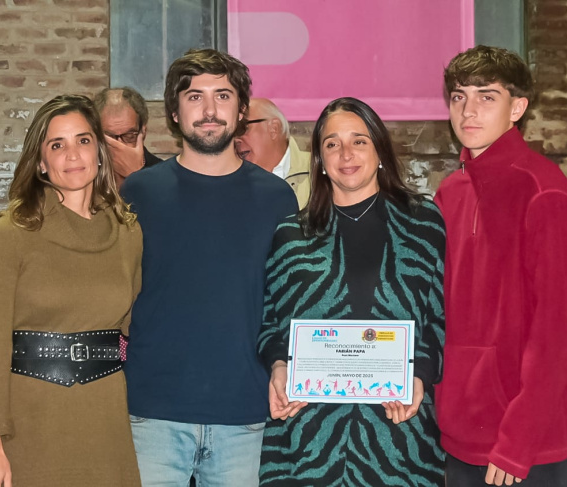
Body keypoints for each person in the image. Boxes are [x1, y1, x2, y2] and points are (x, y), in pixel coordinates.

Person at [120, 49, 297, 486]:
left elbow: (286, 302)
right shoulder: (139, 192)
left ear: (241, 110)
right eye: (195, 97)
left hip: (245, 415)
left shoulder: (277, 198)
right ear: (174, 113)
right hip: (152, 414)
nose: (210, 110)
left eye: (223, 95)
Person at [257, 97, 446, 486]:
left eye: (359, 141)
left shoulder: (424, 223)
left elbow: (440, 317)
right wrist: (278, 366)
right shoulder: (290, 235)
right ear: (320, 160)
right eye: (332, 144)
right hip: (306, 439)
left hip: (399, 437)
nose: (346, 154)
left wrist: (419, 375)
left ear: (379, 150)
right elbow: (269, 319)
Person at [434, 45, 567, 486]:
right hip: (462, 432)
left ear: (517, 108)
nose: (469, 110)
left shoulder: (543, 190)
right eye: (459, 96)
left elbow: (558, 327)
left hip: (530, 442)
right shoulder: (450, 192)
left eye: (487, 97)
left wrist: (518, 440)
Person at [0, 95, 142, 486]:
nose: (73, 154)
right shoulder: (9, 234)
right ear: (40, 162)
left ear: (99, 152)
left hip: (106, 416)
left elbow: (131, 330)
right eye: (57, 145)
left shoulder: (128, 232)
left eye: (83, 140)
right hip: (31, 419)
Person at [235, 98, 311, 208]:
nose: (236, 140)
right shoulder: (229, 181)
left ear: (274, 128)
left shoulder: (318, 171)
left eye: (242, 129)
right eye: (232, 132)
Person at [94, 87, 163, 188]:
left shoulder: (163, 175)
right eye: (110, 137)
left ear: (143, 132)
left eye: (129, 136)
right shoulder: (88, 173)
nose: (119, 145)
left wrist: (136, 175)